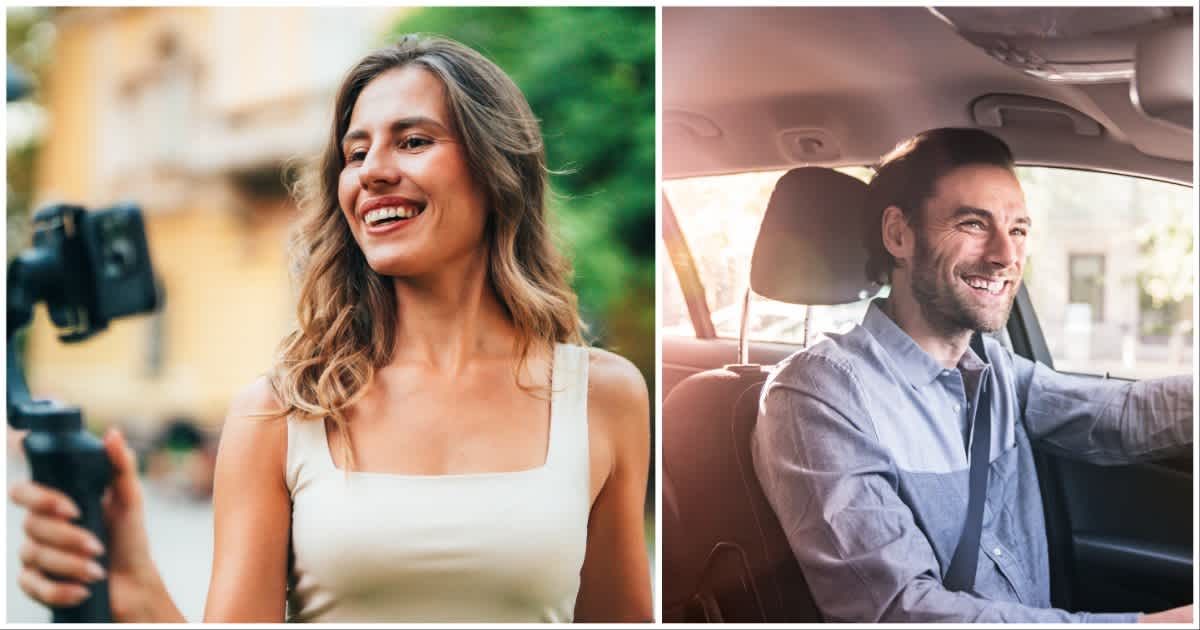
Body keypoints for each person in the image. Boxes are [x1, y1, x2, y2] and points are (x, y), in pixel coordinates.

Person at [10, 35, 653, 623]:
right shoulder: (279, 413)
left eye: (414, 140)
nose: (372, 170)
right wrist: (139, 588)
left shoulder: (605, 398)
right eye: (355, 151)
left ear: (496, 170)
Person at [751, 128, 1193, 623]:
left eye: (1019, 229)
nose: (1006, 256)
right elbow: (901, 612)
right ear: (899, 235)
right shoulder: (820, 395)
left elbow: (1121, 416)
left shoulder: (995, 372)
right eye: (973, 224)